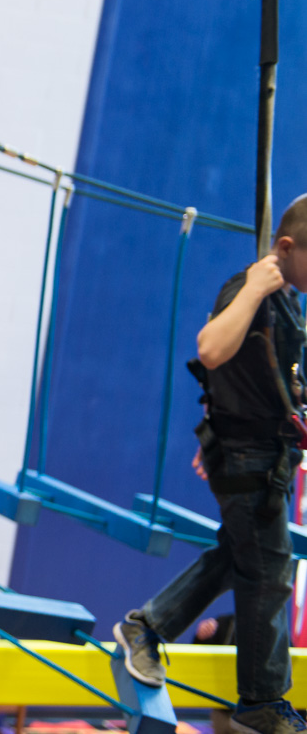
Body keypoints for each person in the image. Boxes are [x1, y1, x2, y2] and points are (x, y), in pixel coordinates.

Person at [114, 194, 307, 734]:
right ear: (287, 247)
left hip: (265, 458)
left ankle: (146, 628)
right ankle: (262, 698)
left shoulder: (287, 303)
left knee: (242, 559)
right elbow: (211, 349)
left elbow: (262, 383)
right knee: (269, 572)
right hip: (248, 460)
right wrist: (254, 288)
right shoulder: (250, 288)